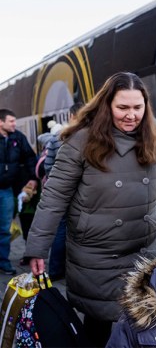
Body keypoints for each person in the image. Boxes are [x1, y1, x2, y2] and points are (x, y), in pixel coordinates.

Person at [24, 72, 156, 347]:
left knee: (144, 324)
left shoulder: (153, 138)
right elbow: (54, 197)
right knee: (98, 323)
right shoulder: (81, 141)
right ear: (106, 105)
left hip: (143, 249)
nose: (131, 115)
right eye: (122, 107)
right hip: (96, 253)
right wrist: (37, 248)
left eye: (137, 107)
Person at [44, 103, 83, 279]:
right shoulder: (94, 138)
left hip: (62, 192)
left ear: (70, 116)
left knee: (60, 230)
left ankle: (55, 270)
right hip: (84, 194)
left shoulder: (57, 138)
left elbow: (48, 167)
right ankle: (75, 271)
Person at [0, 108, 37, 275]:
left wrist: (33, 178)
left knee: (4, 228)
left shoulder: (17, 137)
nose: (15, 124)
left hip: (6, 190)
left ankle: (3, 262)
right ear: (1, 122)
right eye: (11, 121)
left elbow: (30, 157)